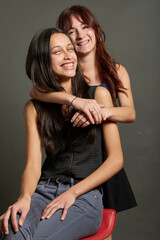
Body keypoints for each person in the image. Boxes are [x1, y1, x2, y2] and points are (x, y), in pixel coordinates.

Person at [0, 28, 123, 240]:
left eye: (70, 49)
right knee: (12, 235)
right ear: (43, 61)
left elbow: (116, 160)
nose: (68, 56)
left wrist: (72, 193)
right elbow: (32, 165)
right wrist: (25, 197)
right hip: (43, 192)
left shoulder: (98, 94)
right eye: (57, 51)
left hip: (84, 196)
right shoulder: (34, 108)